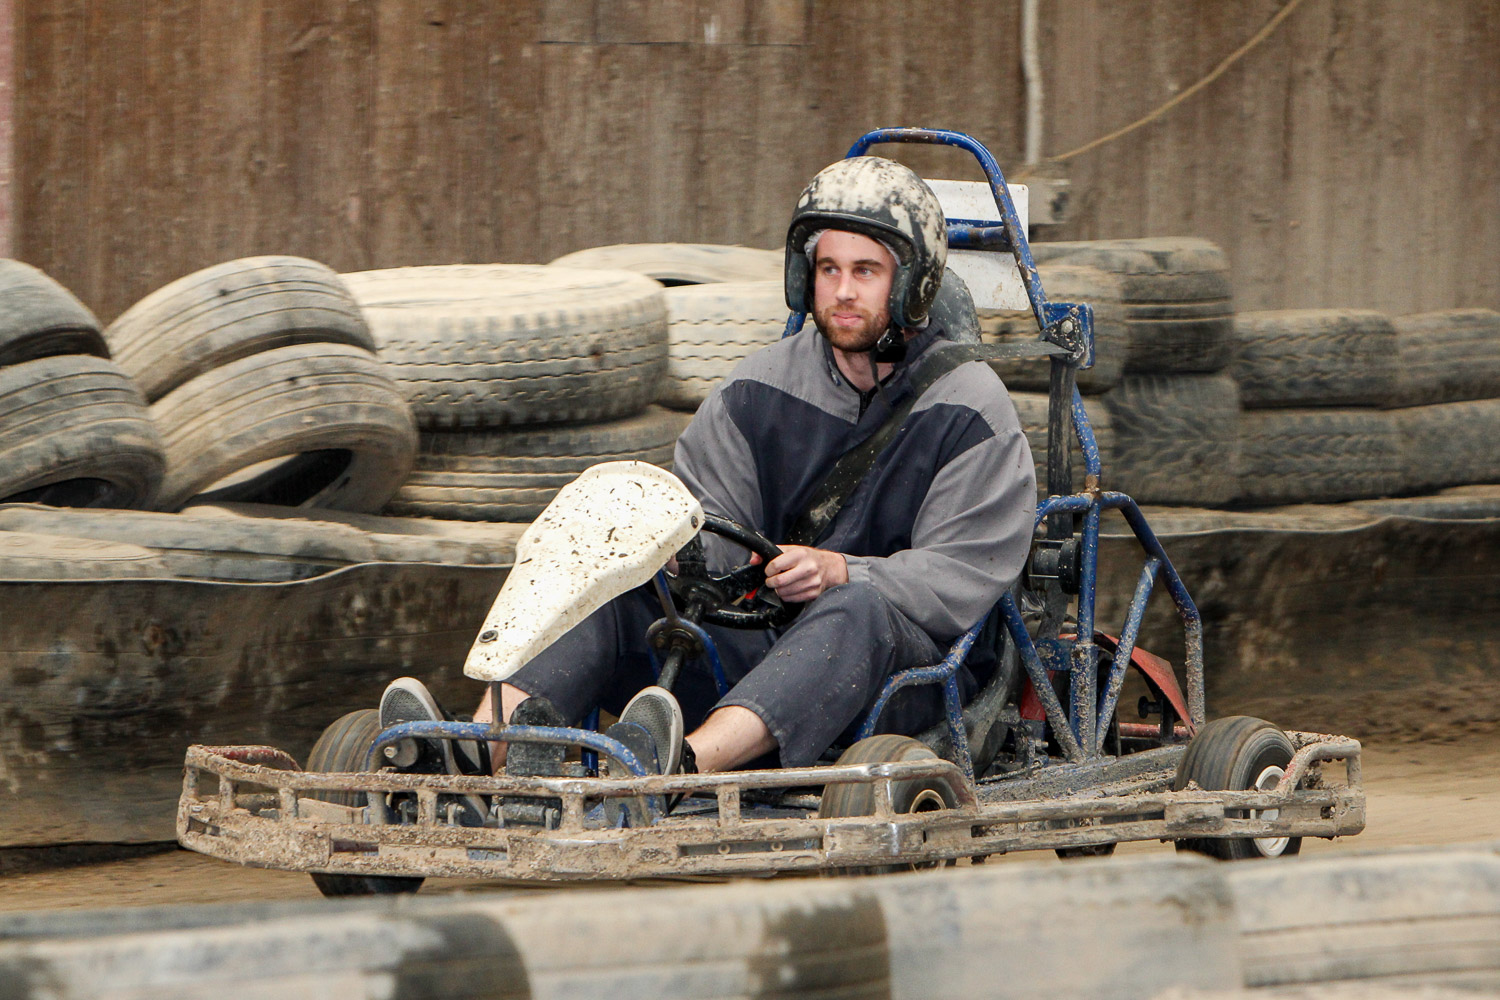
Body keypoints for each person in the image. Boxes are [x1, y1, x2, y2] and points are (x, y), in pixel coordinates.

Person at [381, 155, 1036, 786]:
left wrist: (843, 570)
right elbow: (712, 531)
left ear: (914, 281)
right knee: (606, 581)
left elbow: (959, 575)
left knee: (856, 607)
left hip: (907, 678)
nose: (841, 291)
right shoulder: (753, 391)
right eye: (828, 268)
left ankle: (680, 766)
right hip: (763, 651)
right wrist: (668, 555)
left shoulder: (972, 408)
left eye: (865, 271)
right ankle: (474, 750)